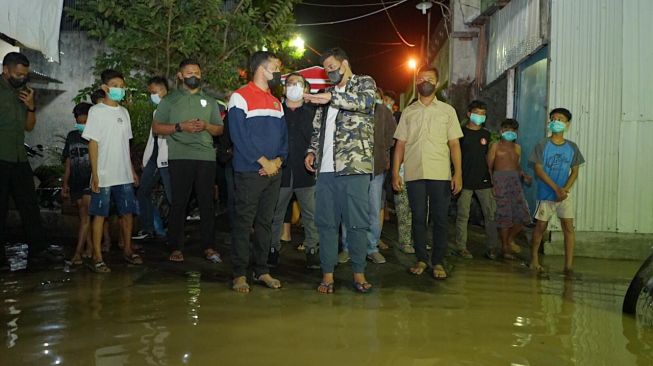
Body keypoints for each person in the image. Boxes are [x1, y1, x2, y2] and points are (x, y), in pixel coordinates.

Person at [304, 47, 376, 294]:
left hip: (355, 167)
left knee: (357, 223)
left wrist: (331, 98)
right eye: (326, 69)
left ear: (345, 63)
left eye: (333, 67)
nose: (329, 72)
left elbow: (365, 103)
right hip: (325, 170)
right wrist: (311, 152)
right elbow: (317, 131)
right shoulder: (326, 95)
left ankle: (359, 273)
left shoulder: (363, 83)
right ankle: (327, 275)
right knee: (326, 223)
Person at [392, 66, 463, 280]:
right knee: (418, 218)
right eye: (421, 78)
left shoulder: (447, 111)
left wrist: (457, 173)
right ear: (416, 82)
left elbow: (454, 145)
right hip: (414, 173)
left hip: (440, 173)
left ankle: (438, 261)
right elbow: (400, 145)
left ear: (437, 82)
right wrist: (395, 173)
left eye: (430, 79)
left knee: (441, 219)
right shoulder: (408, 111)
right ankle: (422, 258)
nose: (425, 82)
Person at [152, 59, 224, 263]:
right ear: (180, 76)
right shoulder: (170, 100)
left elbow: (219, 129)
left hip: (206, 157)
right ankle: (175, 246)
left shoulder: (210, 101)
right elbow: (156, 128)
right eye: (189, 72)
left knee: (207, 203)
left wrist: (206, 126)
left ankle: (209, 247)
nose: (194, 75)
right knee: (179, 202)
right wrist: (179, 127)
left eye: (197, 72)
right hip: (180, 156)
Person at [228, 51, 287, 293]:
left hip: (273, 173)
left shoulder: (277, 102)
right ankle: (239, 274)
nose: (278, 73)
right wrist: (263, 162)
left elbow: (284, 139)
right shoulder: (239, 97)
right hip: (250, 172)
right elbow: (238, 136)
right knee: (244, 223)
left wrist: (278, 161)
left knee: (266, 223)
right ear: (262, 69)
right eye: (276, 67)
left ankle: (262, 270)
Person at [0, 52, 61, 264]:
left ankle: (38, 249)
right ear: (5, 70)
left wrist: (31, 107)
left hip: (18, 158)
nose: (22, 78)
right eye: (18, 74)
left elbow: (29, 126)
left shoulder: (24, 93)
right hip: (1, 157)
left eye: (24, 74)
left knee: (29, 205)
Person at [82, 69, 142, 272]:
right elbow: (93, 144)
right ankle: (97, 257)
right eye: (115, 86)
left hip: (124, 173)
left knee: (127, 213)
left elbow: (126, 145)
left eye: (121, 86)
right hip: (104, 174)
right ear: (105, 88)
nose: (119, 89)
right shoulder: (96, 111)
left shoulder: (124, 113)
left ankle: (128, 250)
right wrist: (95, 174)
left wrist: (132, 171)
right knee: (100, 215)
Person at [268, 72, 319, 269]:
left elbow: (318, 138)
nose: (293, 86)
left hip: (306, 172)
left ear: (305, 88)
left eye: (298, 83)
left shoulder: (313, 112)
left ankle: (312, 250)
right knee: (275, 214)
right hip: (281, 171)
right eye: (290, 83)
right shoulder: (276, 110)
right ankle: (272, 249)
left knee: (311, 215)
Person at [340, 87, 396, 264]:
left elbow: (391, 137)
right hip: (353, 169)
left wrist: (380, 152)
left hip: (375, 170)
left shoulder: (384, 112)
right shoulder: (349, 109)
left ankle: (371, 247)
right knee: (350, 209)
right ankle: (348, 247)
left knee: (373, 210)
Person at [529, 108, 585, 273]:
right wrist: (556, 189)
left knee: (568, 228)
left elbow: (575, 171)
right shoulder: (542, 145)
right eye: (553, 118)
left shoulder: (572, 147)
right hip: (546, 193)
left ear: (567, 124)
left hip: (564, 195)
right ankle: (534, 260)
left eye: (560, 119)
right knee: (540, 227)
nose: (556, 122)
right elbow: (539, 170)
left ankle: (568, 266)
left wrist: (564, 190)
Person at [454, 100, 499, 259]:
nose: (479, 116)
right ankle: (461, 247)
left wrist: (493, 179)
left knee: (490, 214)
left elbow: (490, 159)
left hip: (484, 181)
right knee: (463, 215)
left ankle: (492, 248)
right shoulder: (459, 134)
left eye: (482, 114)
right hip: (464, 181)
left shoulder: (487, 135)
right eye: (476, 113)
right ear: (469, 114)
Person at [487, 118, 532, 260]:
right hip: (499, 181)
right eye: (507, 129)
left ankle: (508, 240)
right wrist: (492, 185)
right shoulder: (495, 146)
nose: (509, 132)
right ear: (501, 131)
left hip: (515, 182)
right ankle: (505, 248)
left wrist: (523, 175)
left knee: (522, 215)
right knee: (504, 216)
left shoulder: (518, 148)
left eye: (513, 130)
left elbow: (516, 165)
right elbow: (489, 167)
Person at [134, 76, 171, 240]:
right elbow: (153, 139)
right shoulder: (157, 110)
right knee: (143, 192)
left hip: (166, 160)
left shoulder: (172, 109)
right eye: (151, 93)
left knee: (172, 197)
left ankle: (172, 232)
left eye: (154, 92)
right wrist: (146, 160)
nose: (152, 96)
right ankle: (149, 229)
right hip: (154, 159)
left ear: (164, 91)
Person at [62, 102, 93, 265]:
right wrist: (65, 183)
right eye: (80, 122)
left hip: (90, 181)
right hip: (76, 182)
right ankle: (90, 248)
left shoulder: (95, 136)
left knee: (85, 214)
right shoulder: (72, 136)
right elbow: (68, 160)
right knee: (84, 218)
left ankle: (78, 253)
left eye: (85, 122)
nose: (82, 125)